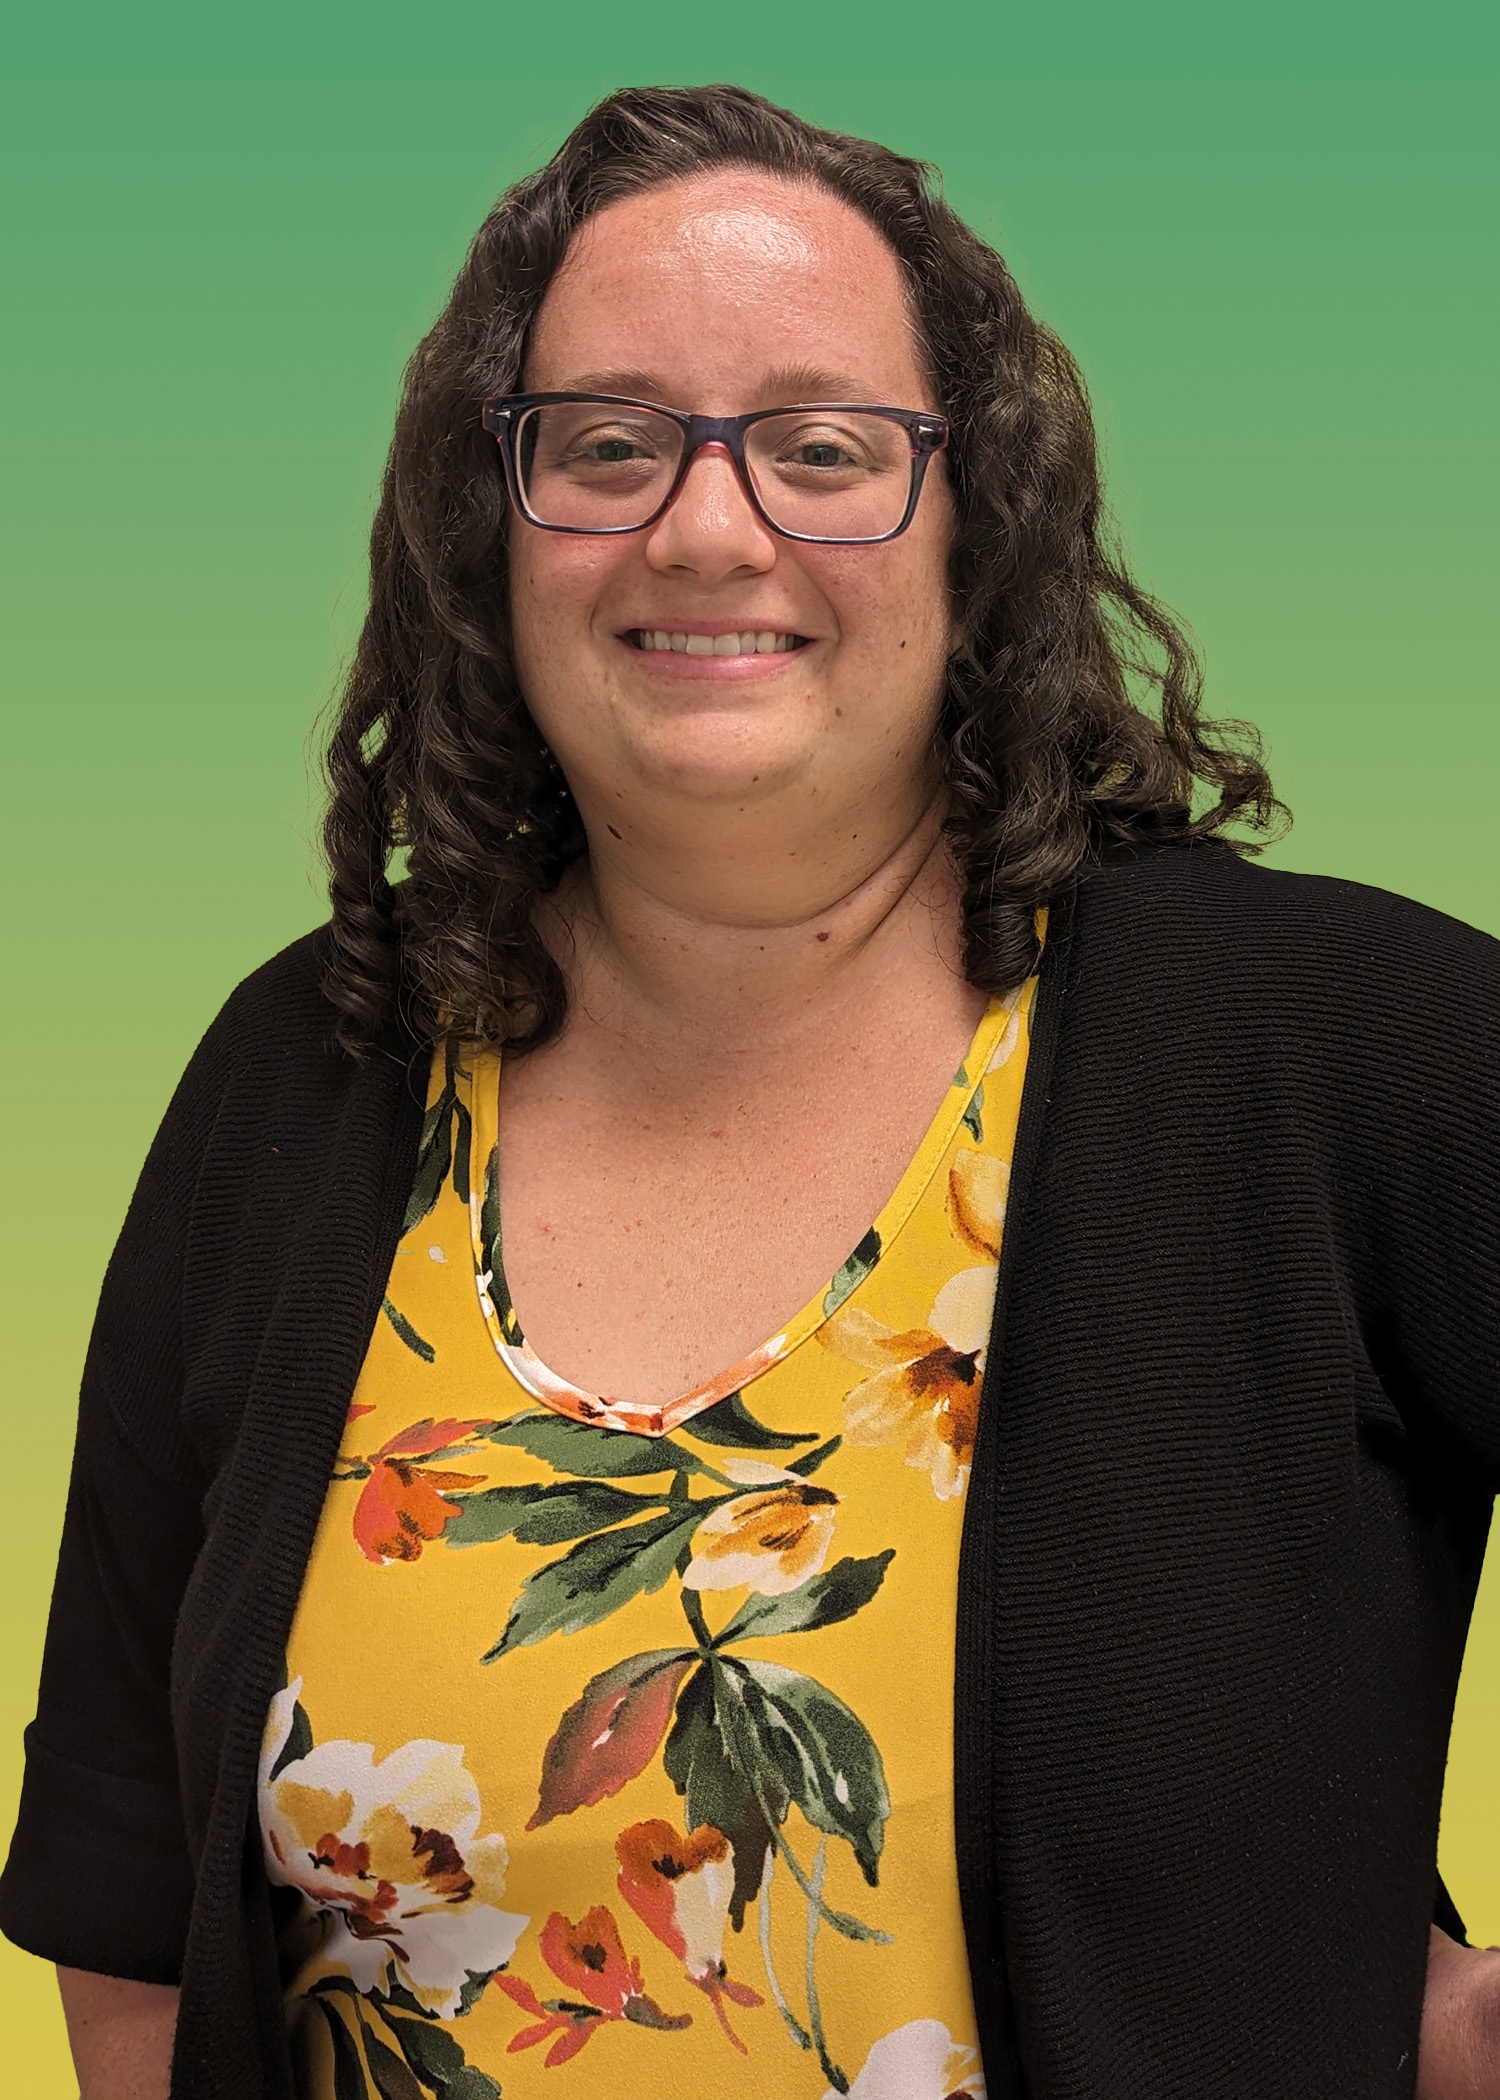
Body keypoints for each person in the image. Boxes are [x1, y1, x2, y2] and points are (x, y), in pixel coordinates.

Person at [2, 82, 1497, 2100]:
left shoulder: (1347, 1053)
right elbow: (126, 1909)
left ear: (978, 519)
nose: (710, 527)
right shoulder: (305, 1073)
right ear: (489, 529)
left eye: (822, 448)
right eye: (606, 446)